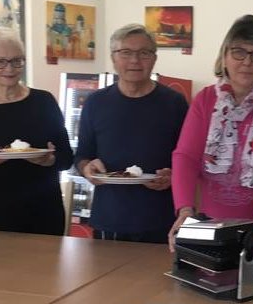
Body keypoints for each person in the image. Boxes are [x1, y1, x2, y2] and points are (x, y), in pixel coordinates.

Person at [168, 14, 253, 254]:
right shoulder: (205, 100)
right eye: (239, 52)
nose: (247, 62)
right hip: (213, 231)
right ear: (225, 56)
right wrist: (185, 210)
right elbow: (186, 157)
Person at [0, 27, 74, 235]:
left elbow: (66, 158)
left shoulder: (43, 102)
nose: (10, 69)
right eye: (0, 61)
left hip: (44, 212)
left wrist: (48, 160)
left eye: (17, 61)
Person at [75, 24, 188, 243]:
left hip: (161, 219)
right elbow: (81, 156)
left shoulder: (174, 103)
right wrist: (86, 168)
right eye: (126, 53)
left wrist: (173, 176)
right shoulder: (96, 103)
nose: (135, 61)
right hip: (109, 218)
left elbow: (189, 159)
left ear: (154, 59)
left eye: (144, 53)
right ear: (113, 58)